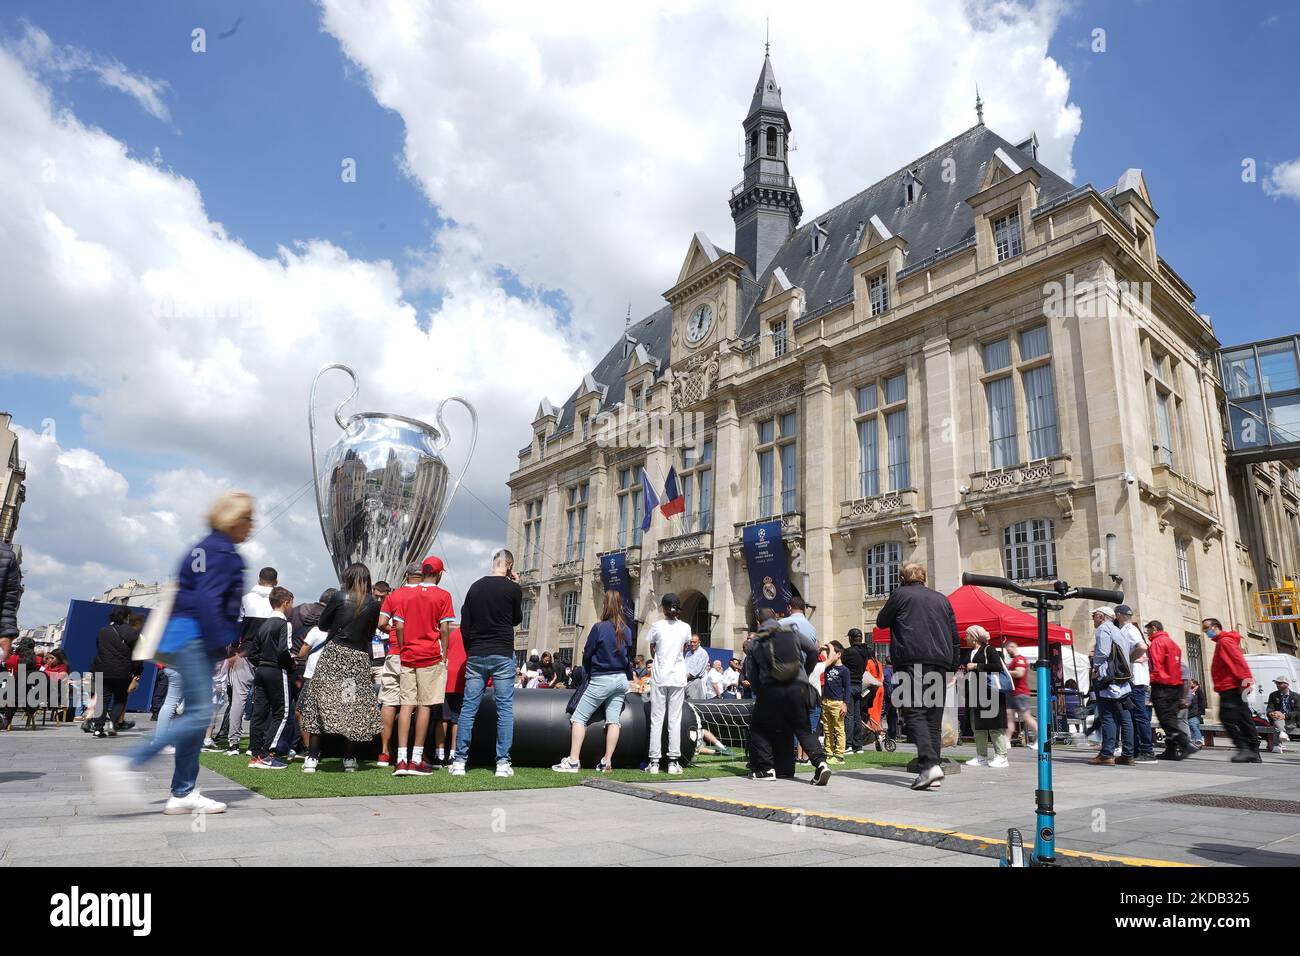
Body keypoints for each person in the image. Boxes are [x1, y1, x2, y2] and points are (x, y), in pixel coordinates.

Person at [88, 490, 253, 815]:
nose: (251, 524)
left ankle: (183, 791)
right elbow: (208, 600)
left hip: (183, 634)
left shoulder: (201, 548)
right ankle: (125, 763)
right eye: (248, 517)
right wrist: (222, 644)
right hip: (197, 636)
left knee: (195, 713)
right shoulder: (224, 554)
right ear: (234, 519)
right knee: (198, 714)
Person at [876, 561, 961, 791]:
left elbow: (881, 622)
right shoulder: (942, 599)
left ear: (903, 578)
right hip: (941, 662)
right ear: (924, 578)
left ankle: (930, 765)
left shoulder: (900, 594)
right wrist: (954, 664)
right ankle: (932, 769)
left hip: (912, 659)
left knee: (912, 711)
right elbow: (954, 635)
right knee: (933, 717)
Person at [297, 564, 384, 772]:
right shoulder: (373, 603)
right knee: (350, 707)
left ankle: (312, 756)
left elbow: (323, 624)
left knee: (320, 702)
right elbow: (371, 633)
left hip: (334, 655)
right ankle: (349, 758)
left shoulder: (339, 596)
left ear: (349, 577)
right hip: (357, 659)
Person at [451, 549, 523, 777]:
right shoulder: (513, 589)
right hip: (502, 653)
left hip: (477, 653)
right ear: (509, 566)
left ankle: (459, 761)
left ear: (494, 563)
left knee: (468, 708)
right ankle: (502, 763)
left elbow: (465, 626)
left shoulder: (475, 587)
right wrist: (517, 585)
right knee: (504, 709)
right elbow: (516, 619)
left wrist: (471, 649)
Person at [746, 608, 831, 785]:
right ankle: (821, 764)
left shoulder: (755, 642)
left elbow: (752, 674)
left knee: (759, 728)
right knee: (803, 728)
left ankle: (766, 768)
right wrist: (804, 675)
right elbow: (813, 651)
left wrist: (760, 693)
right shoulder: (792, 632)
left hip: (771, 690)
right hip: (798, 688)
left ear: (758, 622)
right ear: (777, 617)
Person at [554, 590, 633, 773]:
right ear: (620, 606)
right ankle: (607, 761)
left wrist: (588, 672)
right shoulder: (626, 630)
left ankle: (573, 760)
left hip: (602, 678)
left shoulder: (599, 628)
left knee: (579, 718)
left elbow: (587, 654)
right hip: (621, 679)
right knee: (614, 720)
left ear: (605, 605)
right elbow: (628, 656)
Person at [392, 556, 453, 776]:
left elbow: (398, 625)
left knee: (406, 704)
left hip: (408, 654)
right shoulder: (443, 595)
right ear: (439, 574)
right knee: (425, 705)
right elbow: (445, 629)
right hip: (429, 655)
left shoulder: (407, 594)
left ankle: (400, 758)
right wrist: (444, 654)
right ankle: (416, 759)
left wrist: (403, 646)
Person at [223, 567, 277, 757]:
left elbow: (235, 627)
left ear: (259, 579)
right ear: (275, 582)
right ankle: (257, 744)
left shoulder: (246, 598)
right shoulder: (278, 600)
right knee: (266, 701)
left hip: (244, 652)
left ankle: (233, 744)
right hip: (269, 655)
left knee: (238, 699)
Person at [247, 586, 295, 770]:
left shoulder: (264, 624)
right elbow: (284, 650)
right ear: (286, 603)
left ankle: (256, 753)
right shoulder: (284, 624)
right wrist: (290, 665)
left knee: (259, 713)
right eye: (292, 603)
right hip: (277, 670)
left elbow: (253, 652)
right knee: (281, 712)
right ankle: (267, 753)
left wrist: (262, 663)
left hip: (261, 670)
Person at [645, 593, 691, 774]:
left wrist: (661, 659)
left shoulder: (657, 626)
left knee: (656, 719)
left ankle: (654, 762)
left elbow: (652, 649)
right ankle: (673, 762)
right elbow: (685, 648)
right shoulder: (685, 627)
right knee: (675, 719)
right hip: (677, 676)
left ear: (663, 608)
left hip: (660, 676)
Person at [1204, 618, 1260, 762]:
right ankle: (1253, 751)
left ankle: (1245, 747)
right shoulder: (1223, 642)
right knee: (1243, 717)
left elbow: (1238, 662)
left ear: (1216, 627)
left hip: (1231, 687)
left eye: (1207, 628)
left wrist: (1246, 682)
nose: (1206, 632)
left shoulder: (1224, 642)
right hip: (1233, 686)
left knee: (1227, 718)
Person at [1088, 606, 1135, 766]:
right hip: (1122, 679)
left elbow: (1103, 651)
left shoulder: (1103, 629)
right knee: (1125, 717)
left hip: (1108, 678)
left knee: (1107, 716)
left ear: (1101, 616)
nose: (1093, 619)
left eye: (1094, 616)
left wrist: (1095, 668)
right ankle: (1128, 754)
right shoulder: (1118, 630)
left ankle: (1107, 754)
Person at [962, 625, 1010, 768]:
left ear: (975, 637)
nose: (965, 637)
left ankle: (1002, 756)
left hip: (991, 693)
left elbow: (998, 667)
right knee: (978, 726)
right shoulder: (971, 652)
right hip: (975, 693)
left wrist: (976, 666)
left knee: (994, 725)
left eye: (967, 635)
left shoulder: (989, 650)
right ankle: (981, 756)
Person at [1145, 620, 1191, 760]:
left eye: (1148, 631)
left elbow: (1156, 665)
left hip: (1162, 685)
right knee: (1171, 718)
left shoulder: (1157, 643)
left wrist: (1151, 680)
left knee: (1165, 719)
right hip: (1175, 686)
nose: (1147, 634)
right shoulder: (1173, 644)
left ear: (1154, 628)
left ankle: (1185, 744)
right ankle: (1171, 749)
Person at [91, 607, 140, 737]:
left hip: (102, 669)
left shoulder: (103, 631)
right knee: (120, 699)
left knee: (102, 699)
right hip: (122, 671)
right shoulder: (132, 633)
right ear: (127, 617)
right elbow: (137, 654)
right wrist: (138, 671)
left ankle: (97, 728)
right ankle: (113, 724)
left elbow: (99, 648)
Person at [1114, 605, 1154, 763]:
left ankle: (1147, 750)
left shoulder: (1129, 629)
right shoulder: (1130, 629)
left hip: (1136, 680)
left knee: (1139, 716)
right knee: (1134, 715)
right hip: (1135, 679)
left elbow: (1142, 647)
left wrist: (1128, 659)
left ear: (1118, 615)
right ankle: (1137, 750)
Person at [437, 625, 466, 764]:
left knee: (443, 717)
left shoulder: (452, 633)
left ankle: (439, 754)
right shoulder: (471, 634)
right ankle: (453, 754)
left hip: (446, 676)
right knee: (457, 719)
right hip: (462, 677)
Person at [1003, 641, 1037, 751]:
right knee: (1009, 717)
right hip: (1012, 693)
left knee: (1026, 717)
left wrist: (1007, 672)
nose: (1008, 653)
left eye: (1009, 650)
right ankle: (1006, 741)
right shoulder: (1014, 660)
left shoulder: (1020, 659)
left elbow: (1020, 673)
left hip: (1020, 693)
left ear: (1013, 647)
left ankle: (1040, 739)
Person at [821, 641, 851, 763]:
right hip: (826, 701)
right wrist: (823, 649)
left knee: (839, 729)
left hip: (837, 703)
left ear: (838, 654)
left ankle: (839, 755)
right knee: (827, 729)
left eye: (831, 653)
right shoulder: (827, 666)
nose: (829, 655)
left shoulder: (844, 670)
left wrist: (845, 704)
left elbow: (848, 688)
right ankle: (828, 752)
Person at [841, 628, 869, 753]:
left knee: (849, 716)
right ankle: (858, 745)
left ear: (851, 639)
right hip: (859, 684)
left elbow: (841, 665)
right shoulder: (865, 652)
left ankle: (848, 745)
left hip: (849, 685)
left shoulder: (848, 652)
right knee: (857, 716)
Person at [1265, 677, 1299, 753]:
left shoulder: (1296, 696)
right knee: (1277, 716)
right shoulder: (1273, 695)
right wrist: (1271, 713)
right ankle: (1282, 733)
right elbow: (1269, 708)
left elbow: (1297, 711)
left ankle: (1277, 745)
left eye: (1280, 683)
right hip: (1277, 718)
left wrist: (1285, 716)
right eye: (1276, 683)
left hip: (1291, 720)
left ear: (1287, 684)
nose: (1277, 685)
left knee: (1277, 721)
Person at [684, 633, 710, 700]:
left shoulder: (703, 653)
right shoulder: (688, 653)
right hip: (685, 682)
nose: (692, 644)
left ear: (699, 642)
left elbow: (695, 672)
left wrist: (682, 678)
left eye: (694, 642)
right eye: (691, 642)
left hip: (694, 682)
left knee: (693, 705)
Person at [1186, 678, 1206, 747]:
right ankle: (1194, 740)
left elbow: (1201, 704)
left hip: (1195, 714)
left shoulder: (1197, 693)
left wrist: (1199, 713)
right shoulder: (1188, 693)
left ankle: (1199, 739)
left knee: (1193, 724)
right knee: (1190, 726)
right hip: (1189, 715)